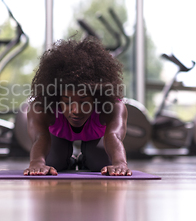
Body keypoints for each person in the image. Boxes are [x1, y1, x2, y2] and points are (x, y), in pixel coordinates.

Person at [23, 37, 131, 176]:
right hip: (57, 138)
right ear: (56, 97)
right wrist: (37, 163)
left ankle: (84, 160)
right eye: (67, 102)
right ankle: (70, 162)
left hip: (96, 138)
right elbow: (40, 137)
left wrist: (120, 163)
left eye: (84, 102)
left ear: (96, 97)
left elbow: (114, 135)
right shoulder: (41, 107)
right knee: (54, 163)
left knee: (99, 164)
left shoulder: (113, 106)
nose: (76, 111)